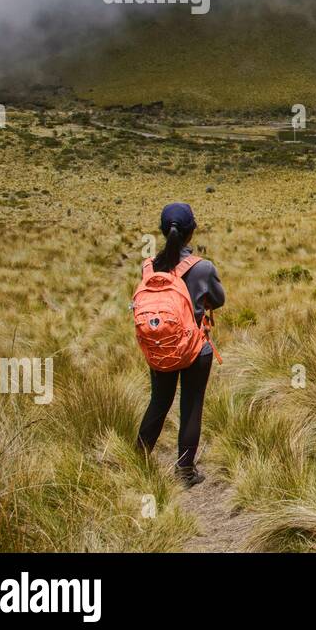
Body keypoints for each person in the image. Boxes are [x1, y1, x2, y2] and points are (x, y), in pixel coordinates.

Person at [135, 202, 225, 486]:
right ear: (191, 232)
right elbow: (219, 300)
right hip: (195, 348)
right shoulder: (203, 267)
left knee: (159, 402)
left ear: (163, 231)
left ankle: (137, 461)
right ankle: (185, 471)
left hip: (160, 346)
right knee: (191, 405)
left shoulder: (148, 267)